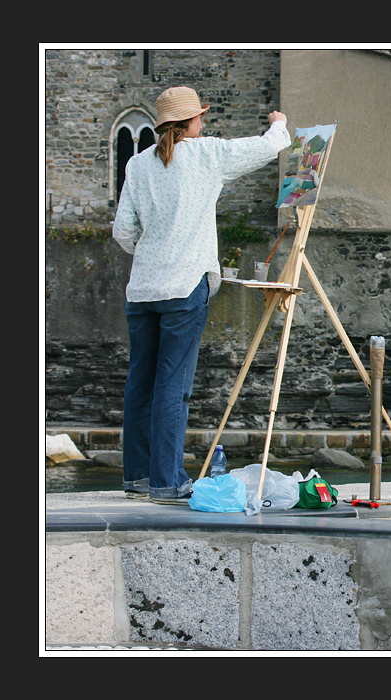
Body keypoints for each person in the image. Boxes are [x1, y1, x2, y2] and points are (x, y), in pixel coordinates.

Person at [112, 86, 291, 503]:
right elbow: (269, 147)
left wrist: (154, 248)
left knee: (140, 382)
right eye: (200, 118)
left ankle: (137, 477)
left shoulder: (138, 165)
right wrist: (278, 124)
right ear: (191, 122)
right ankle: (168, 482)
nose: (203, 123)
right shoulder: (206, 154)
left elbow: (123, 233)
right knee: (173, 386)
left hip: (143, 290)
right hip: (184, 287)